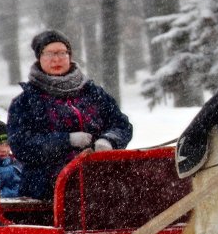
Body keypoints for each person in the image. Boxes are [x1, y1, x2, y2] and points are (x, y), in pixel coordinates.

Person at [8, 29, 133, 201]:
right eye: (49, 54)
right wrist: (66, 140)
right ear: (39, 57)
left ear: (70, 55)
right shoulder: (26, 102)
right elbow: (21, 146)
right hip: (48, 187)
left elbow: (121, 124)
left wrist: (109, 140)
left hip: (100, 177)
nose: (57, 59)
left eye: (61, 53)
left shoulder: (93, 93)